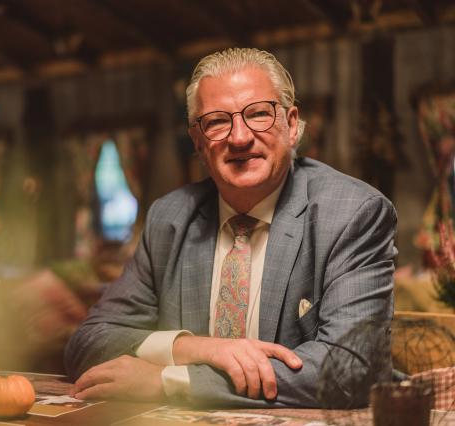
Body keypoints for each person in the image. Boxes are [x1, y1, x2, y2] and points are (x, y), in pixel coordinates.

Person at [64, 47, 397, 408]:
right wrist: (195, 348)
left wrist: (172, 381)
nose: (239, 137)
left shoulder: (352, 214)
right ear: (197, 141)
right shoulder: (169, 219)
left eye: (259, 114)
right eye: (217, 122)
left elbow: (348, 370)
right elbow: (88, 343)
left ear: (291, 126)